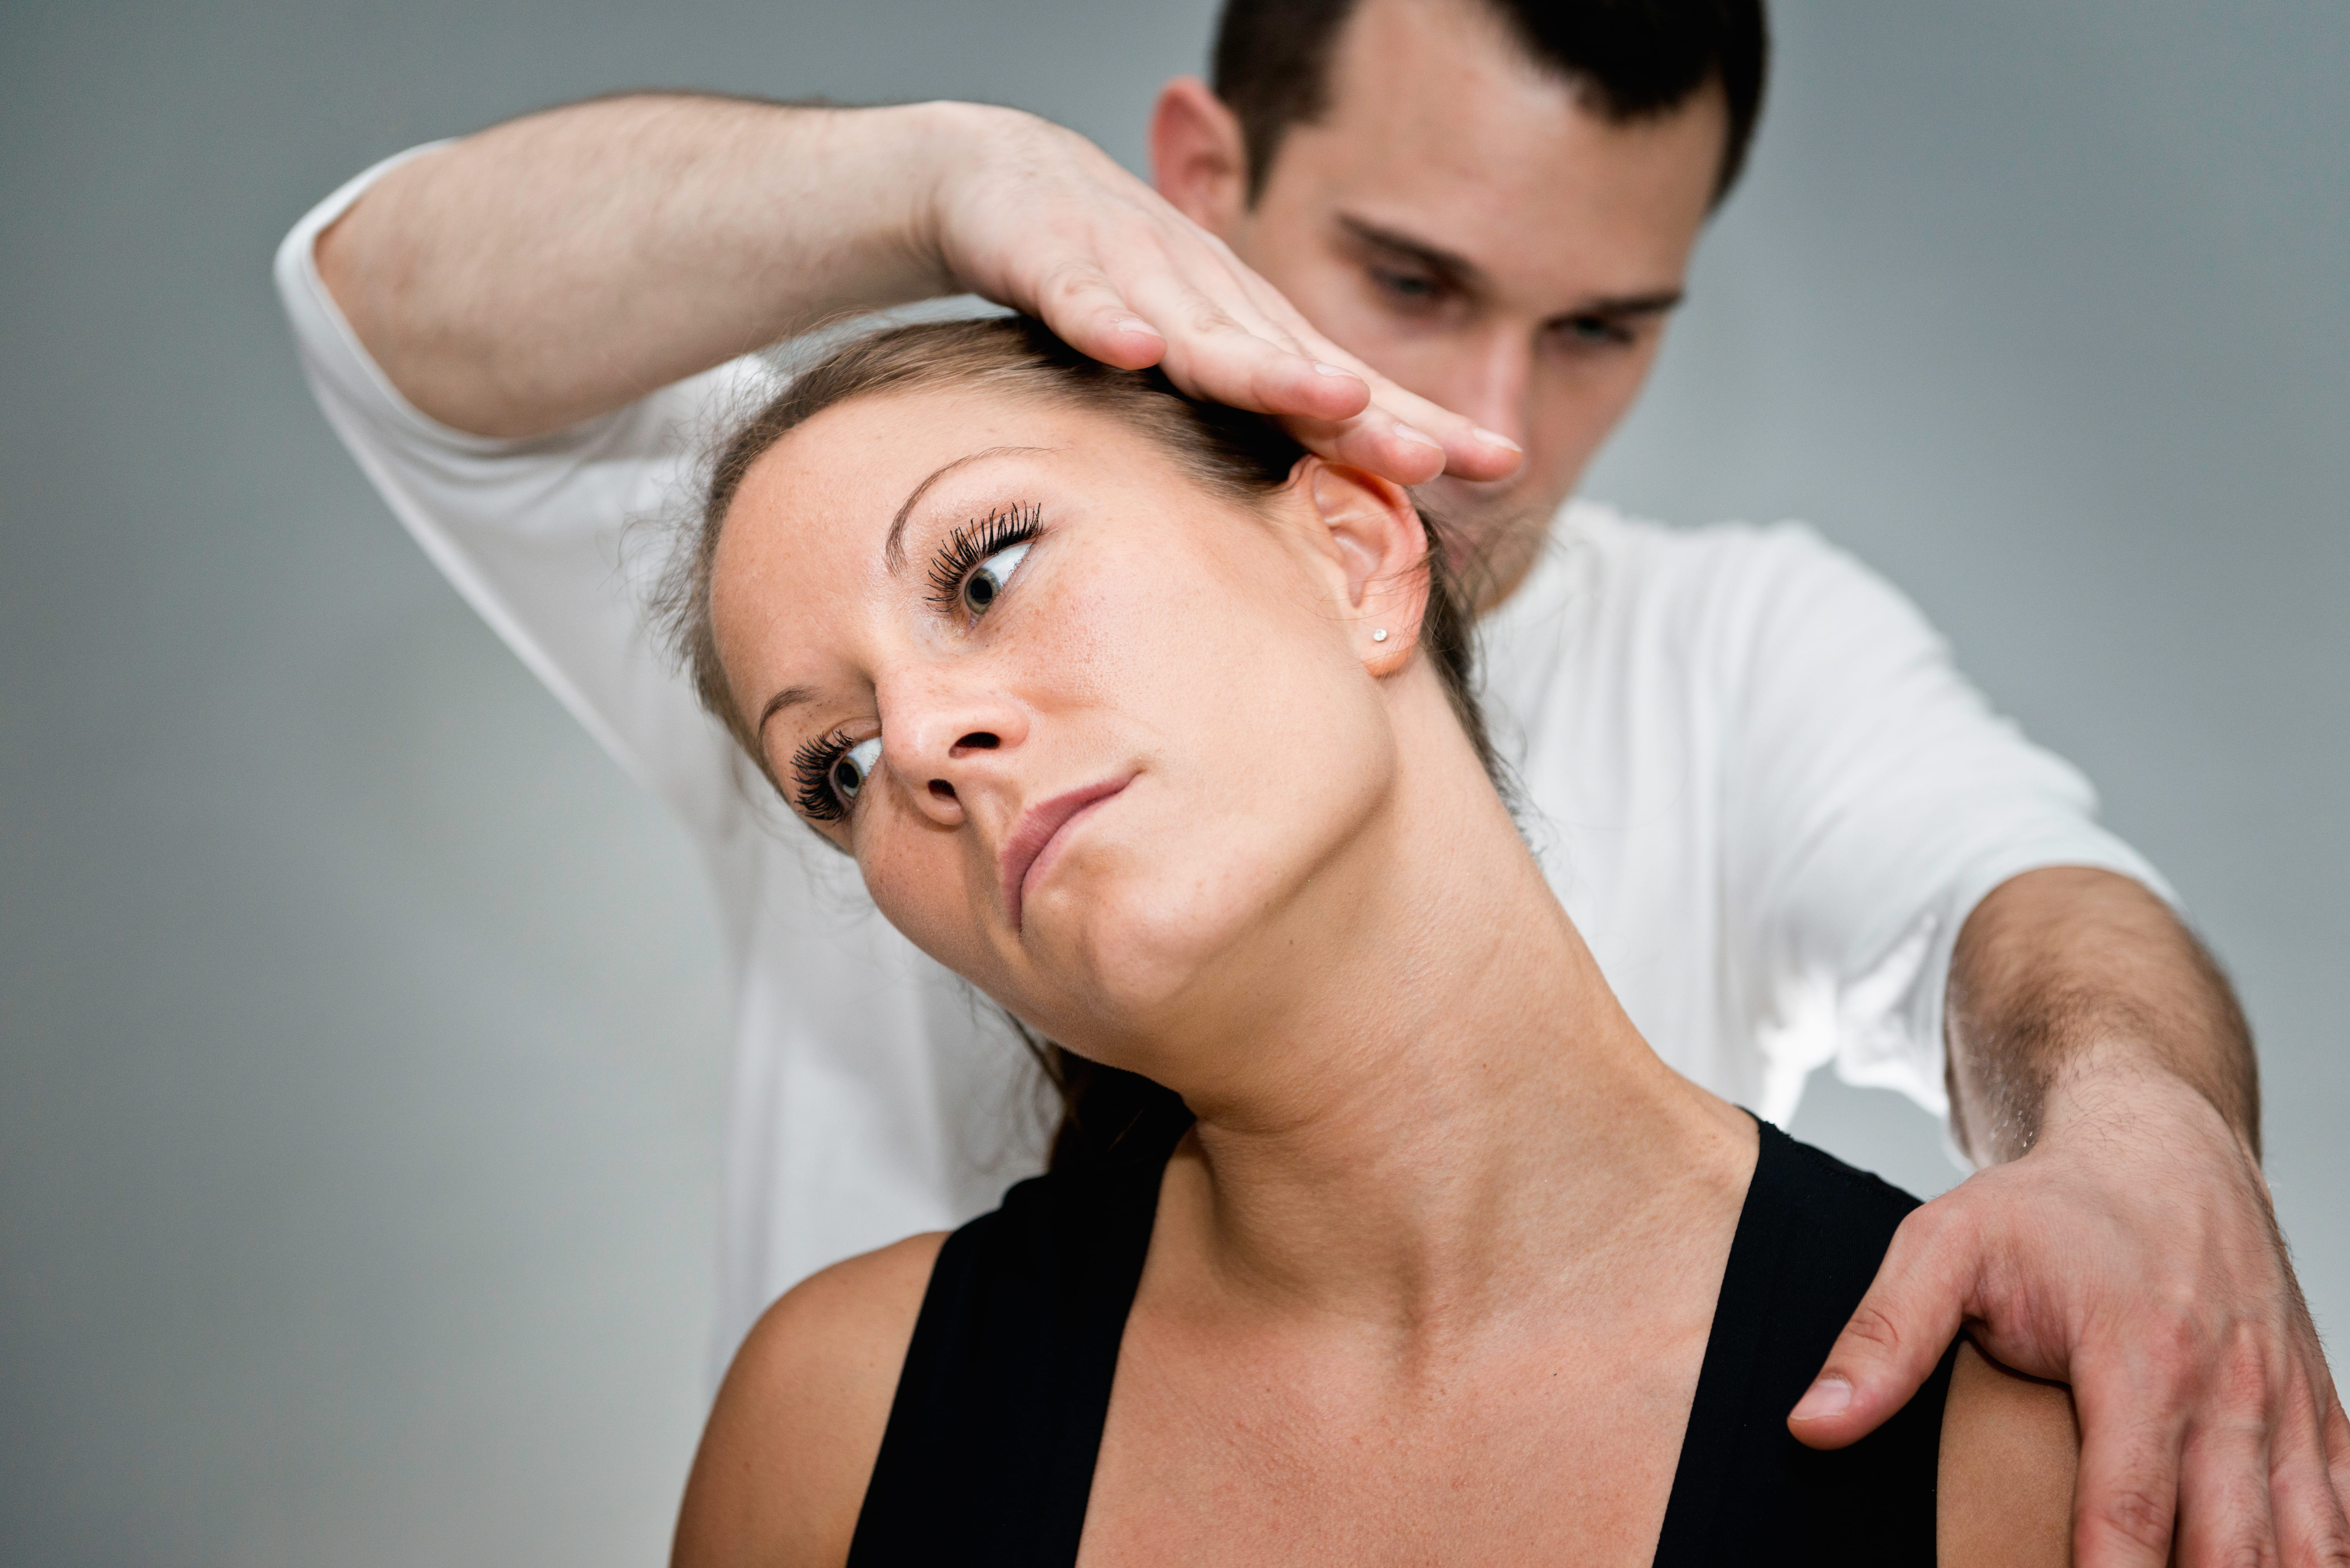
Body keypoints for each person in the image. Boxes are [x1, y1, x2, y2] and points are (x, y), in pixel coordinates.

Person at [275, 0, 2349, 1560]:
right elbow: (388, 322)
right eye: (1416, 282)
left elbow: (2022, 894)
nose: (1492, 431)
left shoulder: (1743, 653)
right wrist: (943, 179)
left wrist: (2141, 1122)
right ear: (1190, 184)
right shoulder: (844, 528)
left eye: (1603, 327)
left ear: (1356, 554)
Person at [664, 312, 2088, 1567]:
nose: (917, 742)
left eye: (986, 573)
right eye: (837, 768)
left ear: (1354, 551)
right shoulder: (833, 1435)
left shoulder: (2025, 1452)